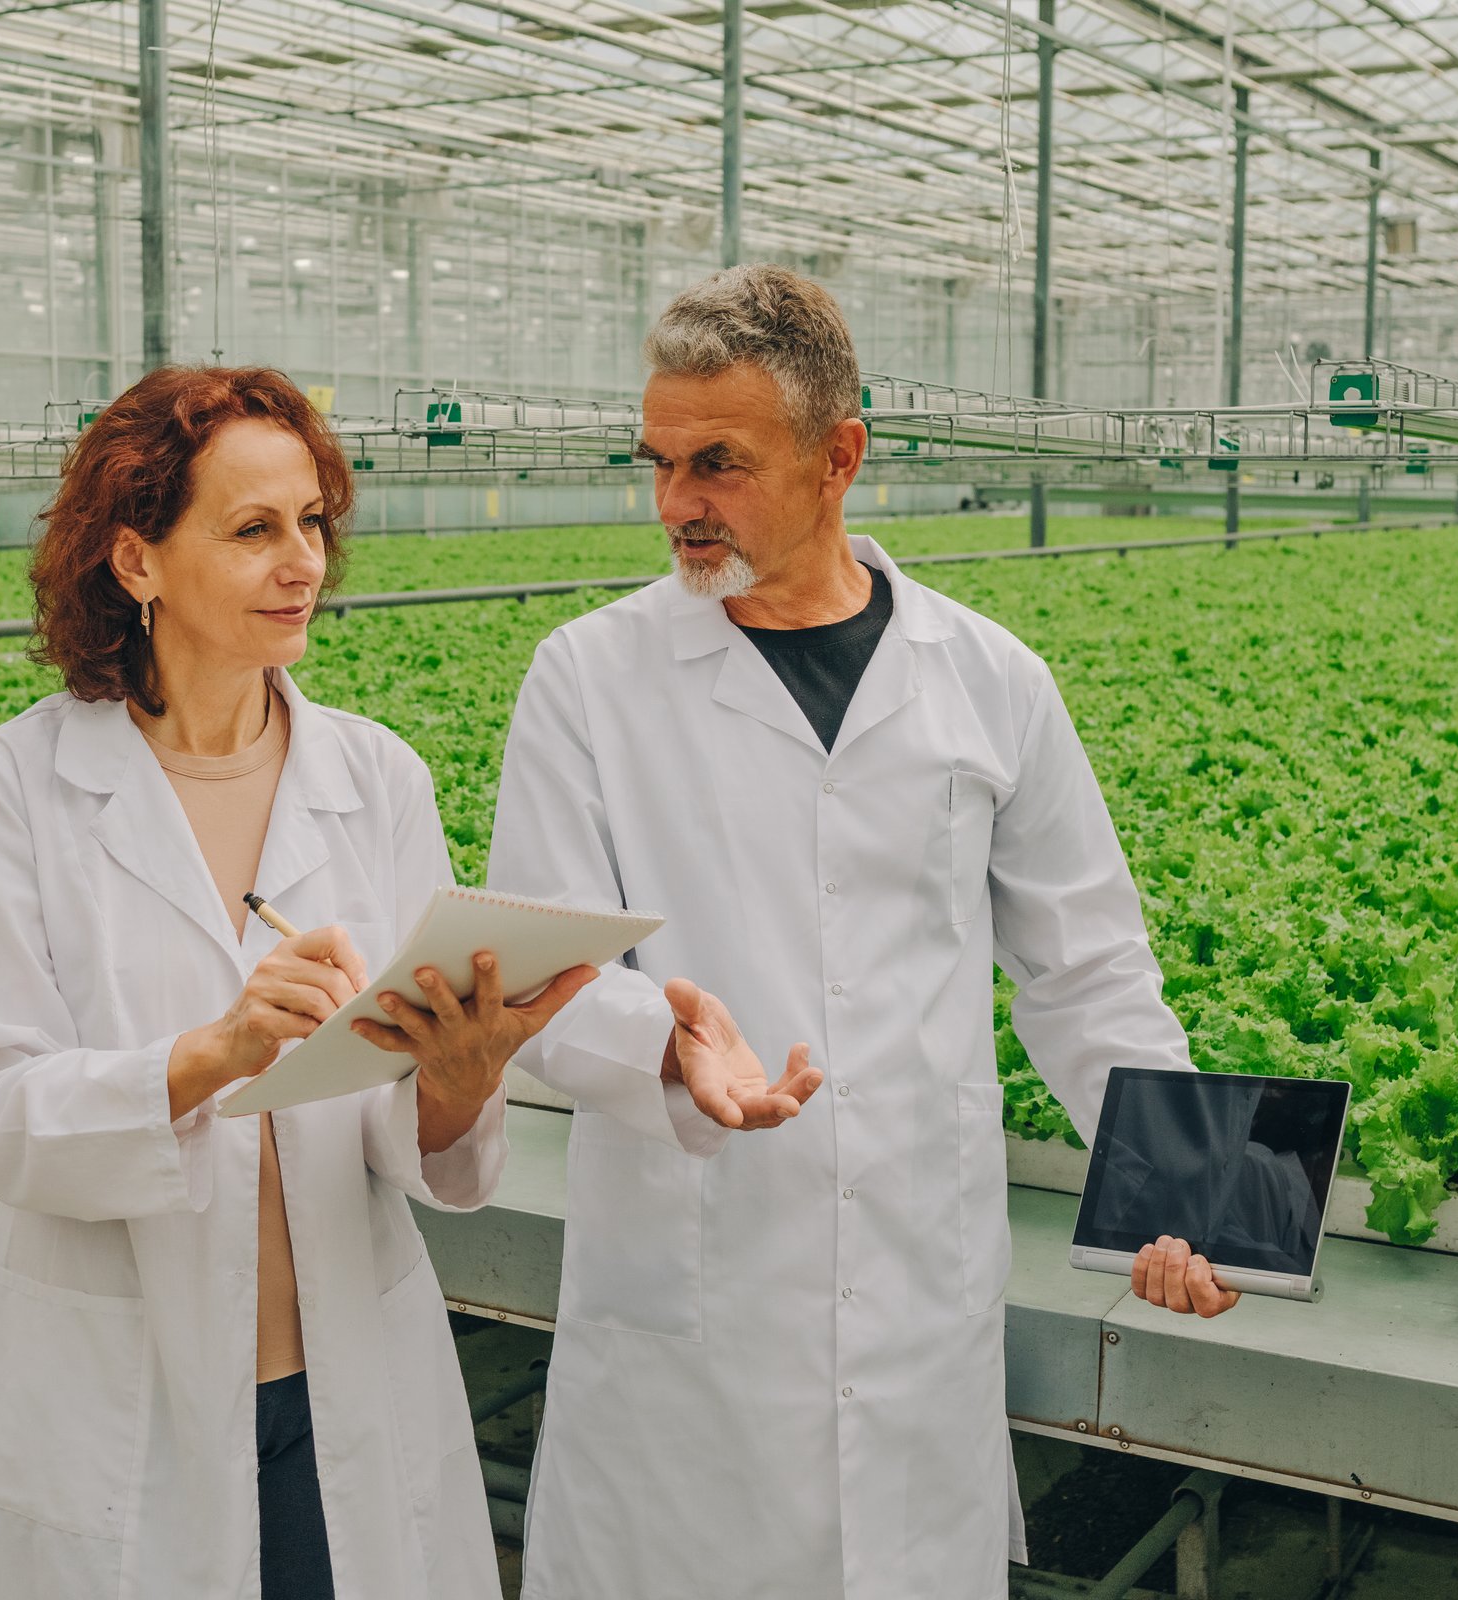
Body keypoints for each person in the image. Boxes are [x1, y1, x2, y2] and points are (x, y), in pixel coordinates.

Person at [487, 265, 1237, 1600]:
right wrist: (667, 1049)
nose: (675, 504)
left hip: (916, 1311)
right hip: (690, 1314)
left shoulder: (988, 683)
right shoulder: (590, 680)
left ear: (840, 456)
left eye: (717, 463)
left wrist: (1179, 1201)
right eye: (656, 461)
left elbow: (1088, 974)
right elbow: (540, 978)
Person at [0, 365, 594, 1600]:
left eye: (313, 523)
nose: (305, 563)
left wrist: (458, 1076)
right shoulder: (13, 790)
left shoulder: (376, 777)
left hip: (349, 1379)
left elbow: (411, 1131)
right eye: (254, 530)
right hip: (126, 1383)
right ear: (137, 562)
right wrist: (214, 1054)